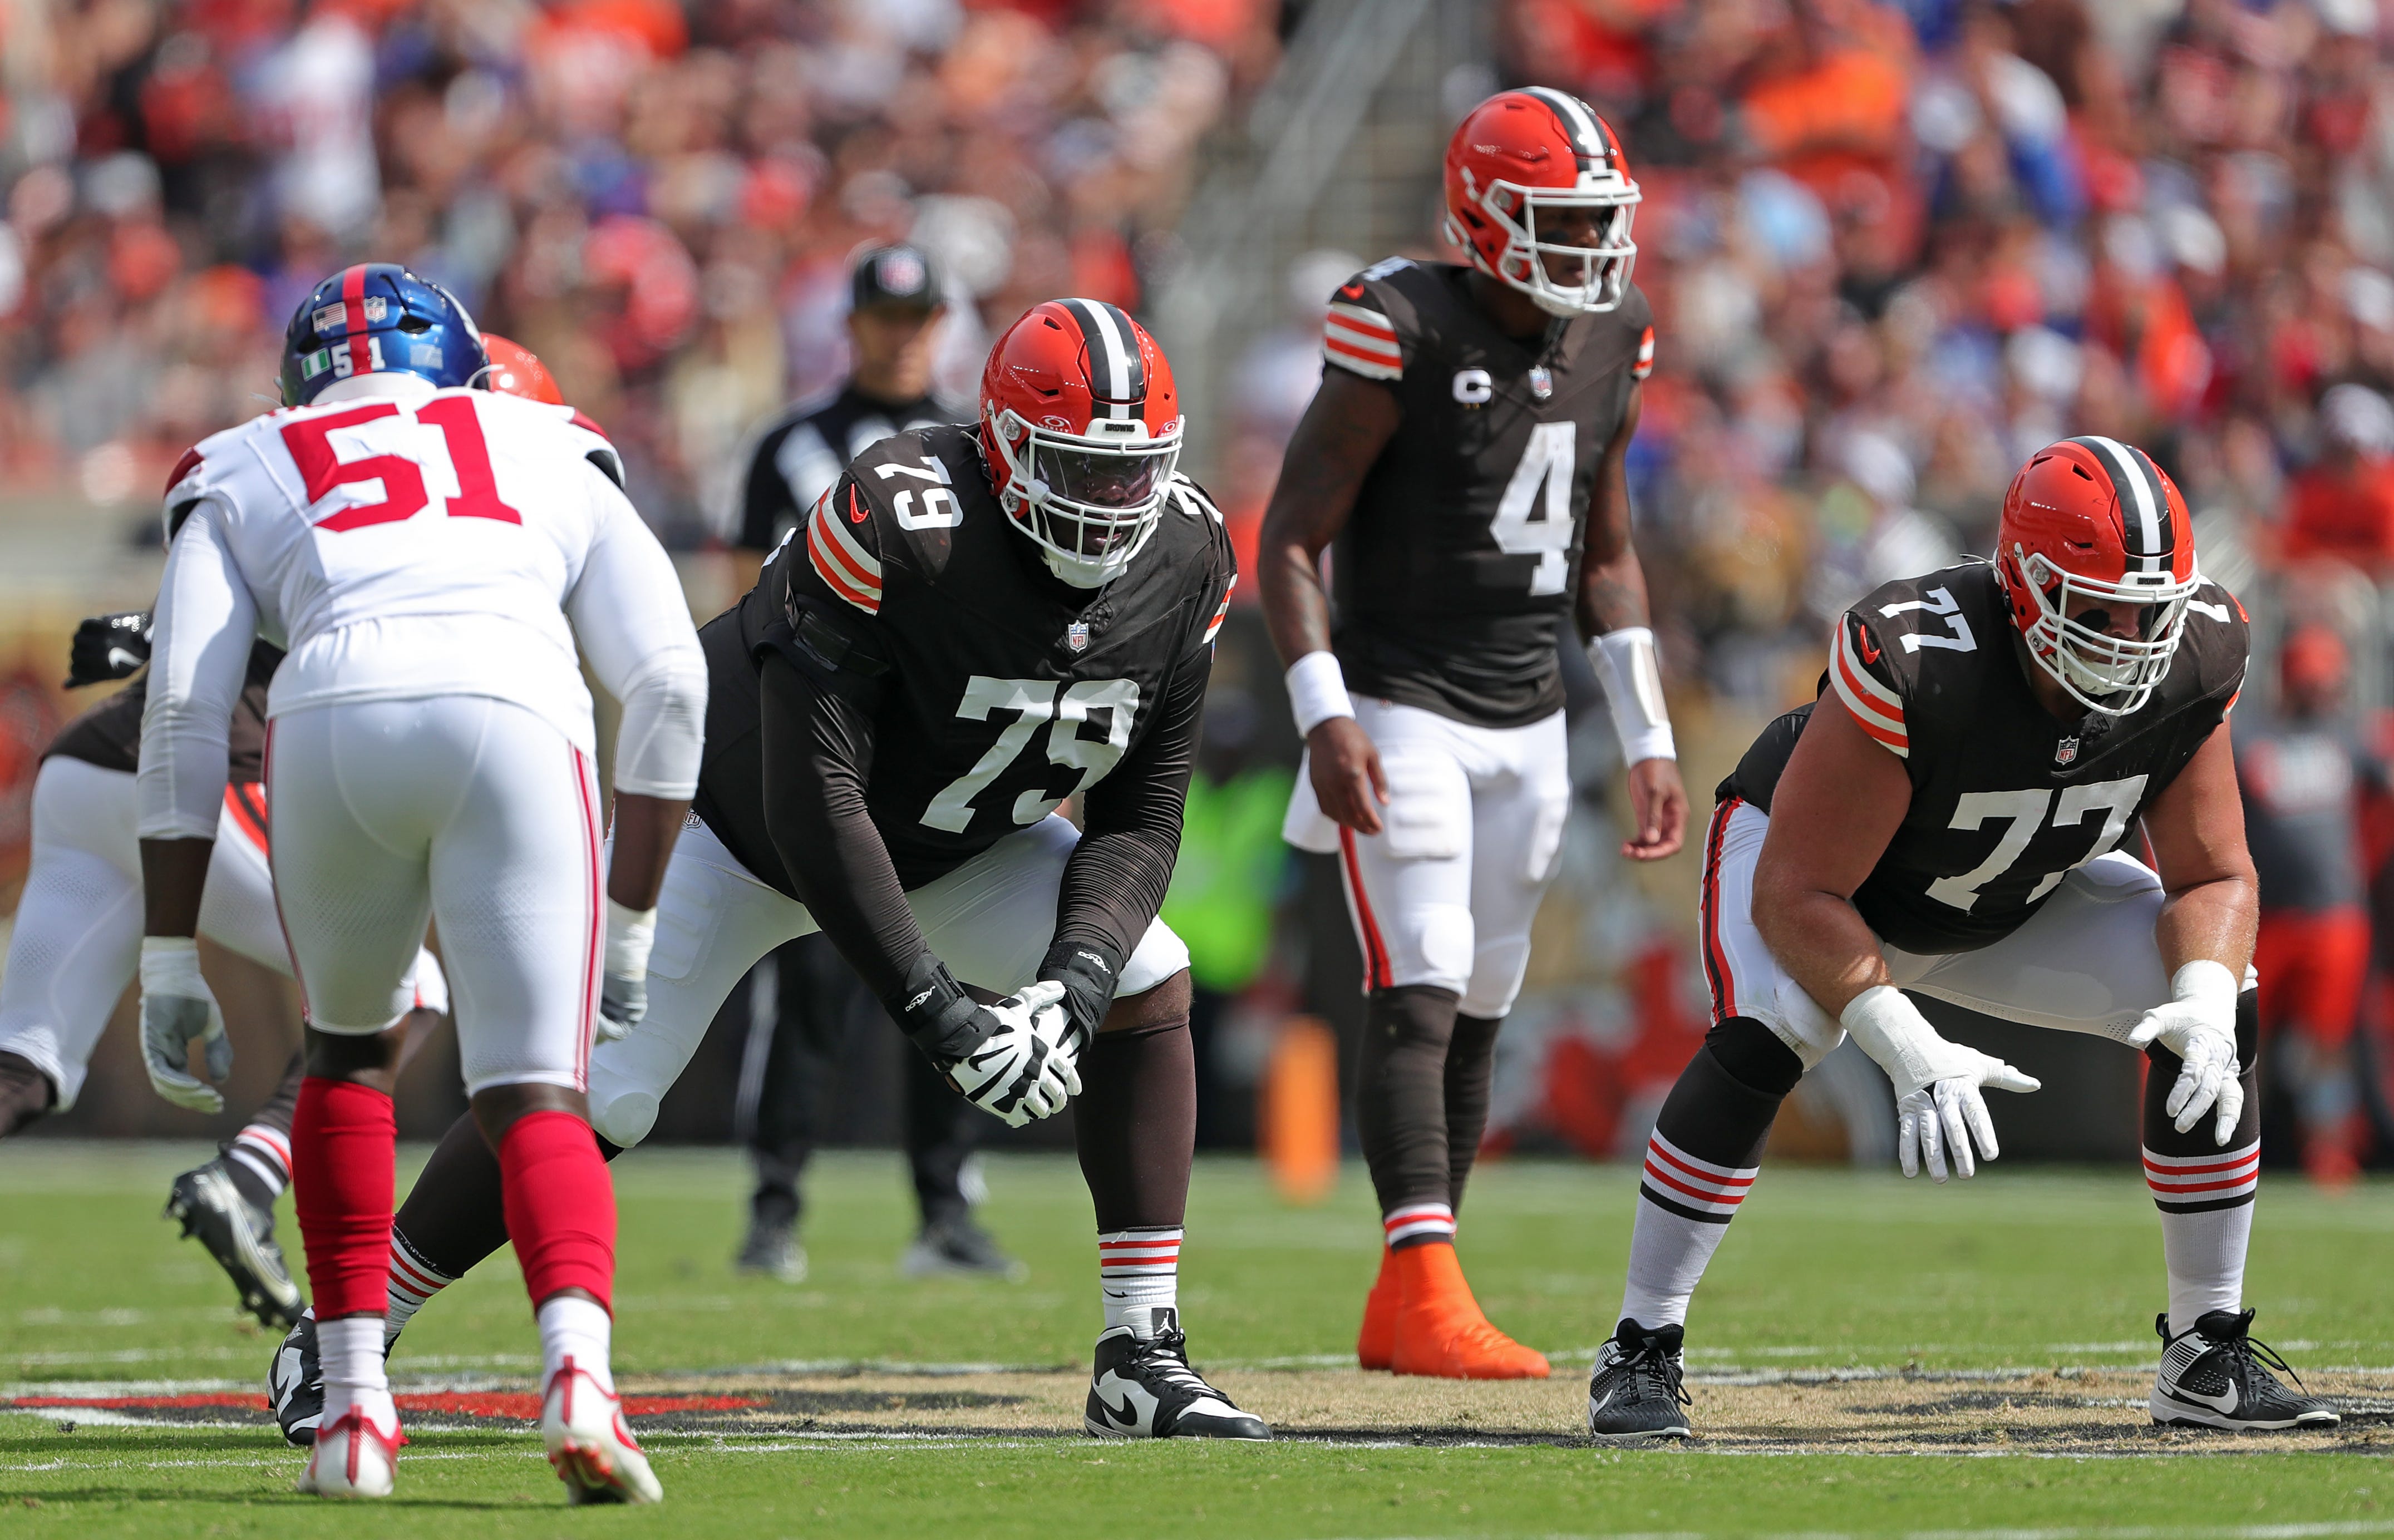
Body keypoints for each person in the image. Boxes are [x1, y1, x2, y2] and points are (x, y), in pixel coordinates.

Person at [268, 298, 1267, 1445]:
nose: (1105, 506)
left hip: (960, 842)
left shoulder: (1186, 554)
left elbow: (1141, 815)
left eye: (1127, 473)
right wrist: (943, 1015)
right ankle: (349, 1324)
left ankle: (1140, 1353)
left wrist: (1071, 988)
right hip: (734, 827)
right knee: (598, 1093)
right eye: (1074, 471)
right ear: (1000, 447)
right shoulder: (900, 517)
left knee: (1148, 972)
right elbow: (815, 800)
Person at [1584, 436, 2339, 1440]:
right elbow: (1799, 891)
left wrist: (2201, 998)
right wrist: (1902, 1039)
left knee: (2215, 995)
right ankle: (1641, 1345)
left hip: (2011, 893)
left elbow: (2211, 874)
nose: (2129, 638)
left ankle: (2205, 1349)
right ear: (2022, 584)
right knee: (1775, 1024)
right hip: (1823, 878)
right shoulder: (1919, 656)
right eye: (2097, 608)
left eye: (2147, 611)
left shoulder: (2196, 652)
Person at [135, 264, 706, 1500]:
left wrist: (170, 951)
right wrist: (637, 916)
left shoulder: (246, 456)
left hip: (331, 717)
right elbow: (669, 680)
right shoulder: (548, 435)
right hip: (513, 713)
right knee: (537, 1095)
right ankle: (577, 1378)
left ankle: (351, 1420)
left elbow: (183, 707)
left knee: (347, 1056)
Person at [1256, 86, 1688, 1381]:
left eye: (1595, 223)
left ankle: (1417, 1293)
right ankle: (1422, 1283)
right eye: (1556, 222)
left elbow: (1604, 551)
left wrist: (1647, 728)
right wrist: (1323, 710)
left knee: (1484, 1001)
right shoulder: (1399, 321)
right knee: (1424, 974)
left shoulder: (1615, 332)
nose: (1585, 253)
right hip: (1400, 705)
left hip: (1532, 717)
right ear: (1480, 216)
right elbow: (1286, 535)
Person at [0, 609, 448, 1331]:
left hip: (86, 768)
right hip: (198, 772)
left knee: (26, 1061)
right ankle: (249, 1174)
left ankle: (248, 1174)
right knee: (407, 986)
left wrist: (154, 628)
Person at [723, 241, 1017, 1285]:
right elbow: (736, 594)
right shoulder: (788, 447)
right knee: (805, 985)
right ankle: (774, 1206)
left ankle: (946, 1207)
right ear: (852, 324)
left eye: (918, 317)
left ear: (940, 325)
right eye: (885, 317)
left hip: (936, 751)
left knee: (952, 975)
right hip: (825, 742)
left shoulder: (978, 447)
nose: (901, 335)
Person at [2237, 624, 2382, 1184]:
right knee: (2243, 1036)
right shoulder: (2250, 738)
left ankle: (2329, 1153)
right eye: (2308, 681)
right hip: (2263, 920)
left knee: (2327, 1042)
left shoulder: (2353, 738)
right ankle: (2227, 1147)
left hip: (2335, 918)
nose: (2317, 692)